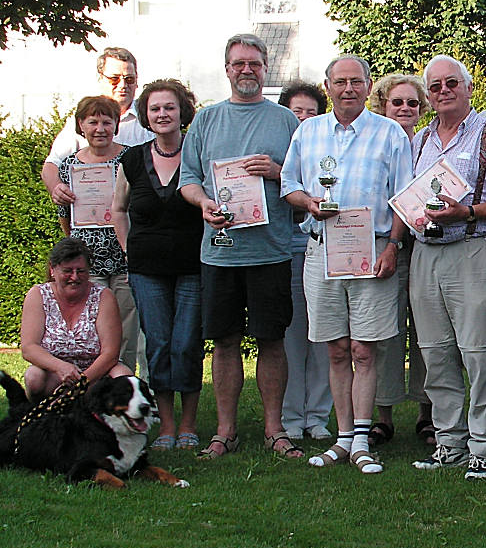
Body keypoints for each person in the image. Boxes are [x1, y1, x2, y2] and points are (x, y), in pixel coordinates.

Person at [281, 55, 411, 475]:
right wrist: (309, 203)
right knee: (336, 348)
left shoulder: (390, 133)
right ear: (328, 86)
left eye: (356, 81)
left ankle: (361, 440)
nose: (348, 89)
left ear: (369, 86)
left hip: (372, 249)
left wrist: (393, 247)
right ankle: (342, 438)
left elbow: (403, 197)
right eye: (340, 82)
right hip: (322, 250)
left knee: (364, 349)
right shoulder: (308, 131)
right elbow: (289, 184)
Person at [179, 33, 302, 459]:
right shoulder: (206, 120)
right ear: (227, 69)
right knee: (224, 341)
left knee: (272, 341)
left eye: (254, 63)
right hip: (221, 251)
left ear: (265, 68)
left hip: (271, 250)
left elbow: (304, 180)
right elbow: (188, 179)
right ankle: (225, 432)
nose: (246, 70)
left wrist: (278, 170)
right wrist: (204, 203)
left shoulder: (285, 121)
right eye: (239, 63)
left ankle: (275, 430)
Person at [409, 55, 486, 480]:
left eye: (451, 83)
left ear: (468, 87)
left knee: (479, 353)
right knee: (435, 353)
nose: (443, 91)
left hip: (473, 248)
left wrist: (467, 212)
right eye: (435, 86)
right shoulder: (421, 139)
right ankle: (449, 442)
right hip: (426, 252)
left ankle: (484, 446)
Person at [111, 79, 205, 451]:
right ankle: (165, 426)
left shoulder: (198, 153)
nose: (162, 114)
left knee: (186, 344)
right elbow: (118, 209)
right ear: (146, 116)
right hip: (146, 269)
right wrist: (128, 251)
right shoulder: (132, 160)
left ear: (183, 112)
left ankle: (189, 424)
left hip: (193, 266)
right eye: (155, 109)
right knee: (159, 344)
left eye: (169, 107)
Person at [366, 74, 433, 446]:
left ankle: (427, 413)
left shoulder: (429, 145)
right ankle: (384, 416)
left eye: (412, 103)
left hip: (425, 248)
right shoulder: (373, 143)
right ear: (382, 105)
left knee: (427, 331)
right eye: (397, 102)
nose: (405, 109)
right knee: (385, 332)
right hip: (384, 247)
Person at [56, 96, 141, 374]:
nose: (100, 128)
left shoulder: (132, 158)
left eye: (107, 122)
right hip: (87, 263)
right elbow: (65, 216)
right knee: (90, 329)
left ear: (116, 125)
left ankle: (125, 385)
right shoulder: (68, 165)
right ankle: (92, 385)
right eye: (93, 122)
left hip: (125, 258)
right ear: (81, 125)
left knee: (127, 326)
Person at [276, 81, 334, 441]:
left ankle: (319, 416)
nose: (303, 118)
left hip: (325, 246)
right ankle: (292, 416)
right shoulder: (274, 150)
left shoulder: (326, 148)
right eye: (297, 111)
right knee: (293, 336)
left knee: (324, 337)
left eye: (311, 112)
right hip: (286, 250)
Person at [20, 238, 133, 399]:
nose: (74, 277)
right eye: (68, 271)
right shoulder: (38, 295)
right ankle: (43, 411)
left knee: (124, 376)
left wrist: (82, 382)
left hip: (96, 374)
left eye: (81, 271)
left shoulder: (104, 296)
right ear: (52, 269)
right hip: (56, 373)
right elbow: (29, 348)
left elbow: (110, 354)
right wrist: (60, 367)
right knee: (33, 377)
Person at [43, 47, 153, 205]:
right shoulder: (80, 120)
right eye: (114, 79)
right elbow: (52, 165)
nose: (123, 85)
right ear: (100, 79)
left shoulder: (149, 118)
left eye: (129, 79)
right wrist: (57, 188)